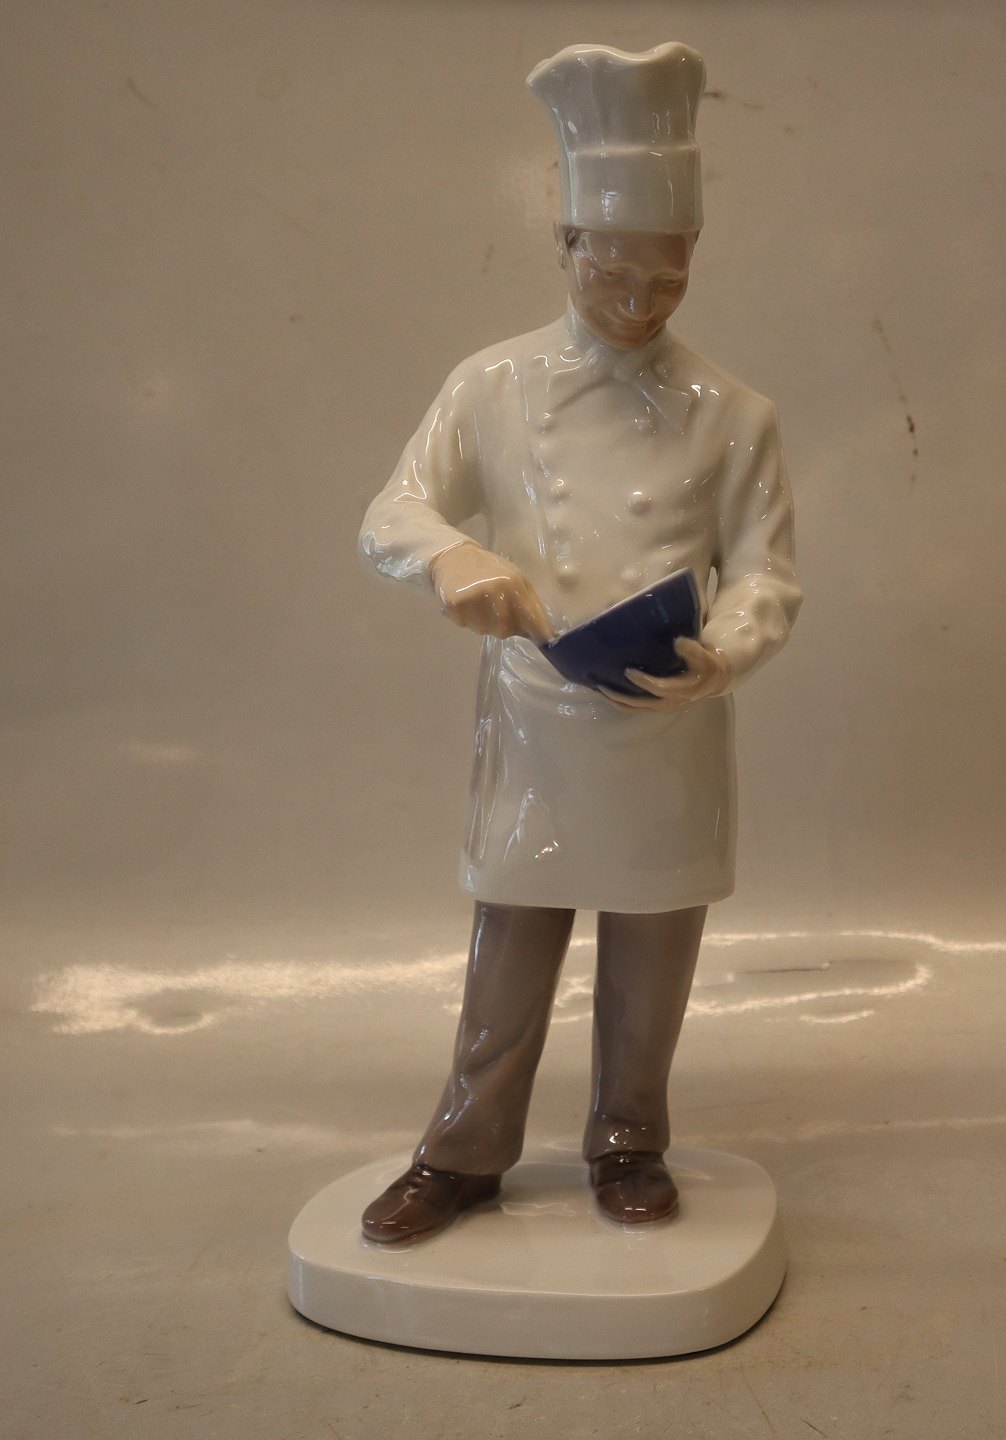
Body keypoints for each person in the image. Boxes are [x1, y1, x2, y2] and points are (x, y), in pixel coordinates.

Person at [358, 42, 802, 1243]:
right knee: (511, 944)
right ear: (565, 246)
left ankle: (629, 1140)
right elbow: (393, 510)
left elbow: (768, 571)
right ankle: (463, 1153)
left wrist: (728, 649)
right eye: (614, 274)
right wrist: (455, 560)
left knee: (653, 952)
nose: (640, 304)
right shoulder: (489, 387)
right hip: (536, 719)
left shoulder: (737, 414)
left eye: (667, 278)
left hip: (669, 717)